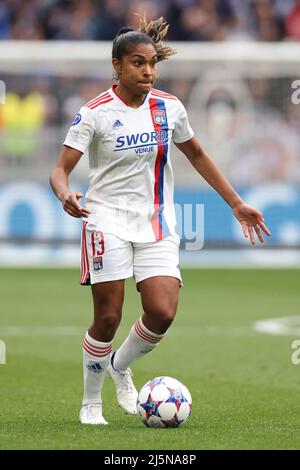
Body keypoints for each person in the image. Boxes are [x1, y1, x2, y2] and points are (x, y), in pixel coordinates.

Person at [50, 16, 271, 425]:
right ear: (117, 65)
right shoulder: (95, 113)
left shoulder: (169, 108)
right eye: (138, 63)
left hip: (157, 222)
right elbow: (60, 170)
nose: (148, 71)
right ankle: (91, 401)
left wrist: (236, 203)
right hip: (106, 220)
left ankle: (119, 366)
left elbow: (198, 155)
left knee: (162, 311)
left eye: (152, 63)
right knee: (109, 316)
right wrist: (65, 194)